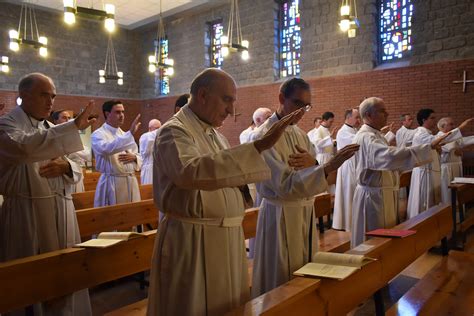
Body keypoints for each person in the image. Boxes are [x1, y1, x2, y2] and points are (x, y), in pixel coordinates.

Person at [146, 68, 302, 316]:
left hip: (226, 237)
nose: (231, 110)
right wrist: (258, 146)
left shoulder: (216, 136)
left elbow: (231, 175)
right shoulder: (173, 131)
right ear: (203, 95)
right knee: (191, 306)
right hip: (192, 239)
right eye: (227, 99)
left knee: (228, 304)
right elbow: (190, 171)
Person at [250, 78, 359, 296]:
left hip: (303, 211)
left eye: (306, 106)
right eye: (297, 104)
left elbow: (310, 170)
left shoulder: (299, 134)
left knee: (304, 273)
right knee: (279, 279)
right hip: (279, 214)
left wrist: (318, 165)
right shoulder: (263, 136)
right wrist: (327, 167)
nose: (301, 112)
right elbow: (283, 185)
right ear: (281, 98)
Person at [0, 73, 95, 315]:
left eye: (53, 96)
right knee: (28, 282)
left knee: (63, 278)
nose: (50, 102)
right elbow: (23, 147)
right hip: (25, 213)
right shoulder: (7, 125)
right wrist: (72, 127)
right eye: (44, 95)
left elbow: (77, 166)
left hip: (60, 209)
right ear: (23, 95)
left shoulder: (52, 129)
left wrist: (66, 167)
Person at [351, 98, 448, 247]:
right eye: (382, 111)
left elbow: (390, 160)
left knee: (385, 239)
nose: (387, 113)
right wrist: (428, 147)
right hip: (373, 197)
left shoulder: (375, 134)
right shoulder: (366, 136)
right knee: (373, 242)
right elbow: (388, 157)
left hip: (382, 193)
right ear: (369, 115)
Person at [407, 109, 471, 219]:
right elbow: (438, 140)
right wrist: (460, 128)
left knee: (433, 202)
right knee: (424, 203)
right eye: (432, 118)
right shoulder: (420, 134)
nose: (435, 121)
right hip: (424, 173)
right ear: (424, 120)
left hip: (432, 172)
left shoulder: (427, 133)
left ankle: (434, 227)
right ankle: (421, 225)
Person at [91, 100, 142, 207]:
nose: (122, 115)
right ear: (107, 113)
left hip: (130, 181)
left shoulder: (124, 134)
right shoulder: (98, 134)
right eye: (117, 112)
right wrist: (130, 134)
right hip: (112, 182)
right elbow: (106, 149)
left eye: (123, 112)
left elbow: (138, 155)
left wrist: (135, 157)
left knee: (132, 216)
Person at [332, 108, 361, 231]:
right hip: (348, 166)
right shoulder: (342, 132)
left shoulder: (354, 130)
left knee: (354, 193)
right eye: (357, 117)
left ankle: (355, 221)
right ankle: (348, 223)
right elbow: (357, 143)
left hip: (355, 165)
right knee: (349, 193)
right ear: (348, 118)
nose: (359, 120)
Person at [52, 109, 91, 192]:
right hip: (62, 177)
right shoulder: (52, 135)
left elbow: (87, 154)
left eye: (69, 118)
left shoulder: (73, 134)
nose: (67, 120)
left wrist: (71, 149)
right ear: (55, 121)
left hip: (77, 174)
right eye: (64, 118)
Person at [437, 117, 474, 204]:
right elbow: (447, 148)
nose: (453, 126)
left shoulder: (453, 137)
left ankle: (459, 213)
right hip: (447, 168)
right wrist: (456, 148)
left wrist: (458, 148)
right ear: (443, 126)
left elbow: (465, 141)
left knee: (459, 192)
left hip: (457, 166)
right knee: (448, 193)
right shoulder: (439, 137)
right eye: (451, 124)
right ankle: (449, 212)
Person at [139, 119, 162, 185]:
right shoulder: (145, 136)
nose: (159, 130)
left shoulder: (160, 138)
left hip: (159, 169)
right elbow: (150, 138)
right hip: (149, 170)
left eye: (160, 128)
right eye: (157, 128)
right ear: (149, 128)